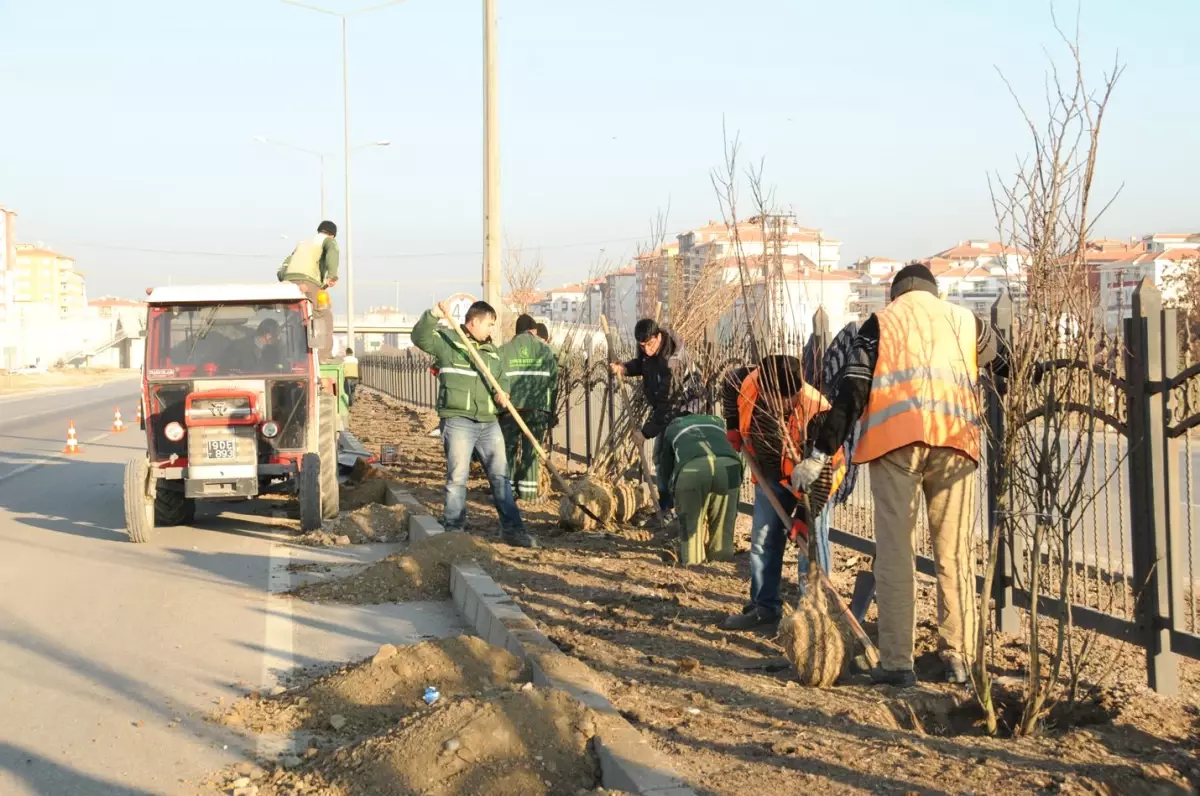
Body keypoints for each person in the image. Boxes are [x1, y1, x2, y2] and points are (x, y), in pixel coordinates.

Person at [791, 262, 1004, 687]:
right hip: (956, 445)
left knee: (896, 553)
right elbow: (1007, 366)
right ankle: (959, 658)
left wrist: (819, 453)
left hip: (895, 447)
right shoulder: (967, 322)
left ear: (895, 294)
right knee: (955, 555)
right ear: (935, 291)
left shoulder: (878, 325)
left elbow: (851, 394)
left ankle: (897, 663)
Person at [719, 354, 845, 631]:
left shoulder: (817, 411)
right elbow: (728, 382)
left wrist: (803, 517)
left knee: (810, 548)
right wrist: (732, 425)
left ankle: (813, 616)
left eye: (794, 395)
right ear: (767, 391)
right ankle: (764, 608)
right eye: (784, 398)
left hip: (815, 485)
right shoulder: (748, 382)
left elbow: (824, 474)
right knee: (763, 540)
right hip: (771, 476)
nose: (791, 402)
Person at [410, 299, 536, 548]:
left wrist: (504, 394)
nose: (491, 330)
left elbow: (502, 381)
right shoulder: (448, 343)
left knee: (501, 477)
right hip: (458, 421)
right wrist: (433, 313)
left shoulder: (493, 353)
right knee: (457, 477)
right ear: (474, 321)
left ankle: (512, 530)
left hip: (489, 423)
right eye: (489, 324)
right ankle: (454, 531)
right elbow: (419, 337)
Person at [608, 319, 703, 516]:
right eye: (642, 347)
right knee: (660, 457)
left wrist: (644, 433)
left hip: (687, 410)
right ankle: (666, 506)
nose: (647, 350)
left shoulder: (673, 362)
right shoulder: (648, 351)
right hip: (668, 410)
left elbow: (668, 405)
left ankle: (676, 509)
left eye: (650, 345)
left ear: (658, 337)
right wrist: (625, 368)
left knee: (672, 458)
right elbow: (644, 365)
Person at [657, 413, 742, 565]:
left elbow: (665, 469)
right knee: (724, 520)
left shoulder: (672, 428)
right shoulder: (717, 421)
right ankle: (721, 565)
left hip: (692, 471)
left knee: (690, 524)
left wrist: (666, 501)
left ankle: (694, 566)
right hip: (730, 467)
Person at [498, 313, 559, 502]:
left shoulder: (503, 350)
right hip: (537, 410)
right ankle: (528, 494)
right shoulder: (545, 350)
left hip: (510, 410)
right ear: (533, 330)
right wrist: (551, 411)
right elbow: (554, 384)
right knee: (531, 451)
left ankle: (505, 494)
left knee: (507, 449)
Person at [279, 221, 340, 360]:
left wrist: (286, 280)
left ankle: (295, 356)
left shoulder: (302, 244)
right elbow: (333, 250)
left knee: (296, 316)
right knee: (323, 316)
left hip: (288, 281)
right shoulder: (327, 240)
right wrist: (332, 275)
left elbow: (284, 266)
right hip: (308, 280)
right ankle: (323, 356)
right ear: (332, 235)